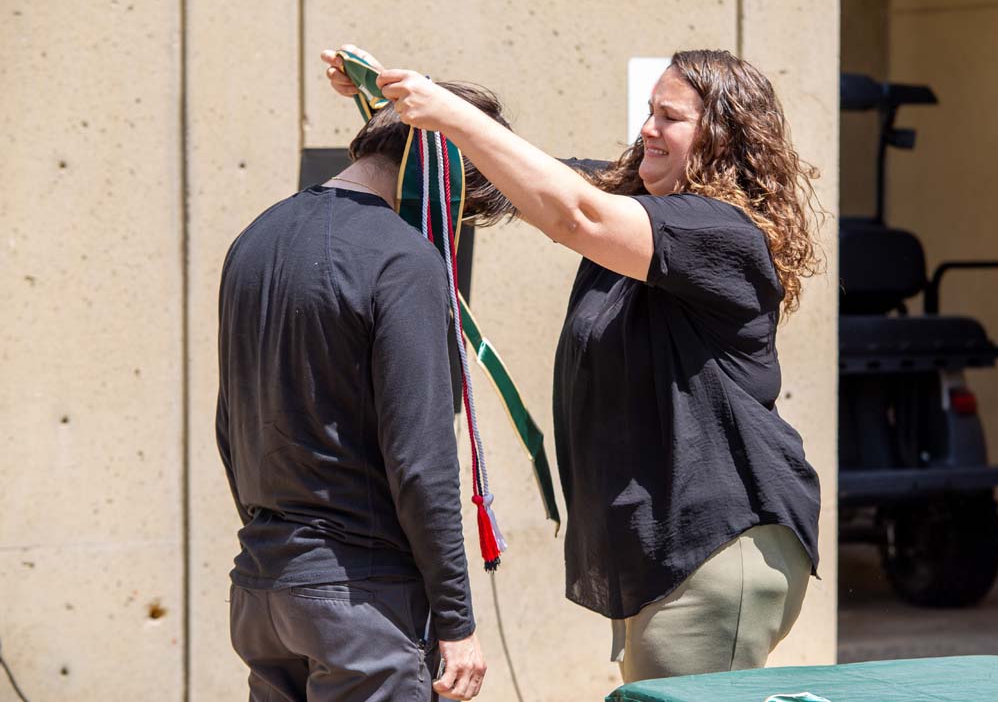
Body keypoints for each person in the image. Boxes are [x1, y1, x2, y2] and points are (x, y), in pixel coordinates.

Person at [324, 47, 824, 682]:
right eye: (648, 111)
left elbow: (576, 214)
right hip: (670, 551)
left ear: (722, 137)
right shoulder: (637, 200)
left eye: (669, 117)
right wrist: (394, 102)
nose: (647, 129)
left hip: (717, 543)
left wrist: (446, 113)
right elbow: (523, 176)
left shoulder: (718, 233)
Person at [215, 80, 515, 701]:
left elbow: (230, 425)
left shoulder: (254, 240)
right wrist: (456, 622)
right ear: (445, 174)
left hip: (262, 588)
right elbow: (421, 461)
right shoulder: (403, 259)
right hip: (360, 601)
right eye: (462, 206)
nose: (454, 223)